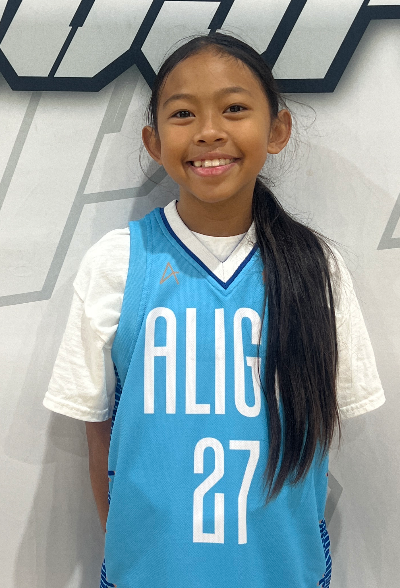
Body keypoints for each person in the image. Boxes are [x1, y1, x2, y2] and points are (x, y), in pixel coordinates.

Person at [43, 33, 385, 588]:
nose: (208, 131)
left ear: (277, 130)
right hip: (148, 572)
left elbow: (329, 421)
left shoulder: (317, 269)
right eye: (183, 113)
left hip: (282, 572)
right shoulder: (117, 263)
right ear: (153, 142)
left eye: (234, 108)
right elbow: (98, 432)